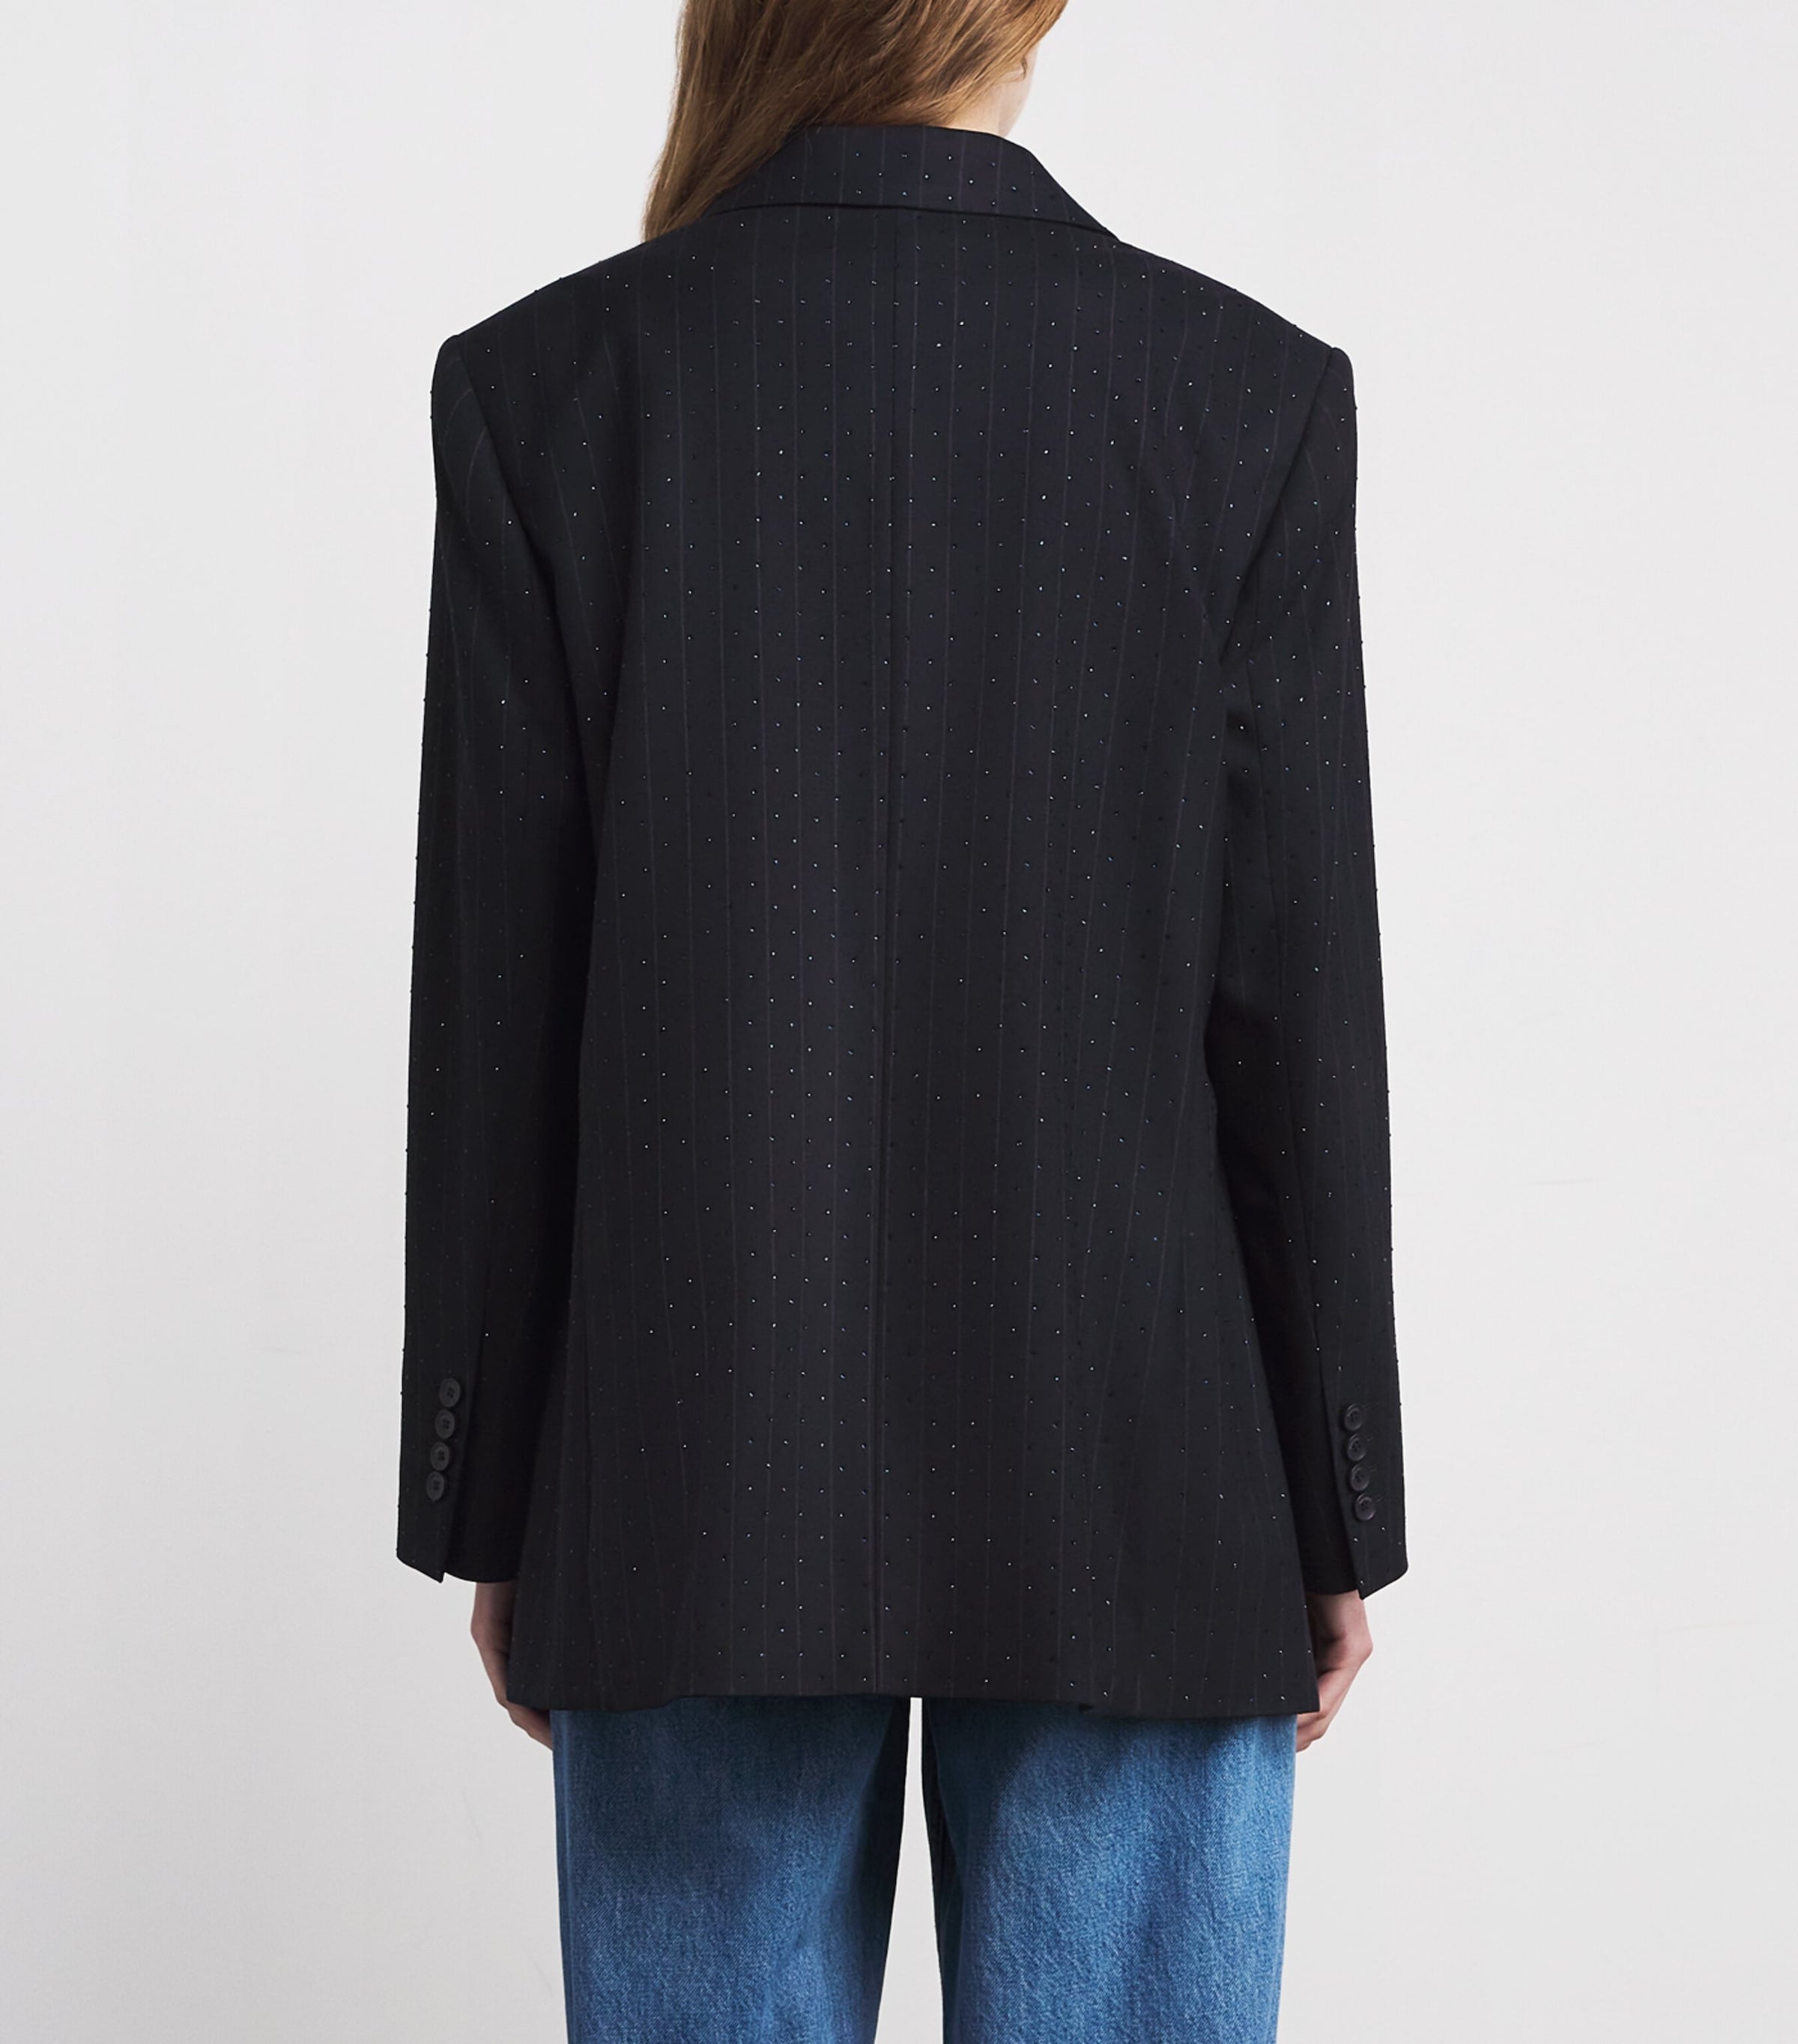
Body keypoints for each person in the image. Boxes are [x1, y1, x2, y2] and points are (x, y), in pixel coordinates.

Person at [396, 1, 1408, 2036]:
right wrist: (1335, 1495)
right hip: (1147, 1479)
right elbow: (1291, 1005)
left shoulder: (555, 385)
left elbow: (503, 1003)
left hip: (689, 1471)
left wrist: (498, 1490)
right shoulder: (1241, 394)